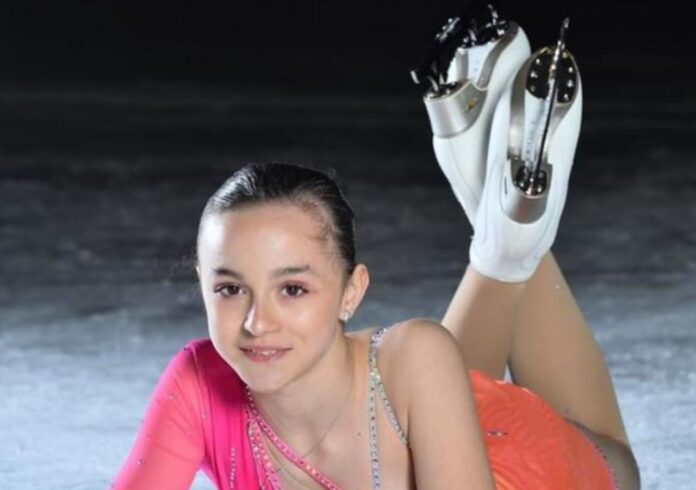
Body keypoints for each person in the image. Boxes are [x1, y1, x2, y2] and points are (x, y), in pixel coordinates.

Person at [112, 4, 640, 489]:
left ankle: (503, 231)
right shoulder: (199, 381)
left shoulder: (417, 355)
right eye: (230, 289)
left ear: (352, 290)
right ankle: (499, 221)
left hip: (519, 466)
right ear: (202, 286)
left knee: (617, 467)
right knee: (422, 379)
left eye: (292, 289)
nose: (257, 323)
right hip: (425, 417)